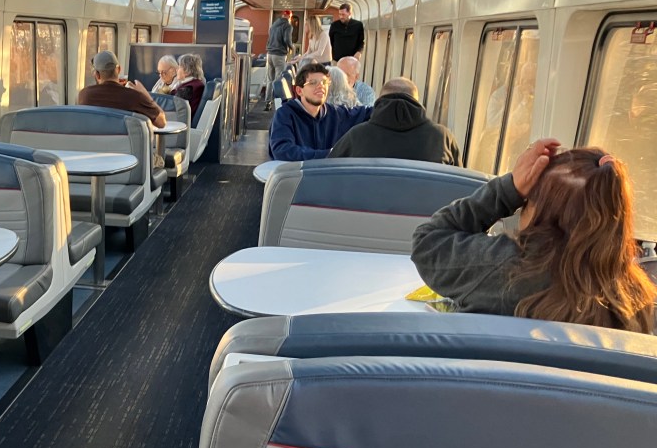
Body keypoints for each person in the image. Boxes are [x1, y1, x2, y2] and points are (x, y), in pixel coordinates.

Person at [411, 139, 655, 332]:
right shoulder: (638, 299)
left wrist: (509, 190)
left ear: (542, 214)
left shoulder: (505, 267)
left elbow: (427, 242)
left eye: (527, 201)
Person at [329, 77, 460, 165]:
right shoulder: (442, 138)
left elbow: (330, 173)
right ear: (417, 101)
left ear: (379, 101)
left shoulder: (356, 136)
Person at [268, 63, 373, 161]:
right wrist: (330, 154)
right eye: (313, 83)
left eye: (324, 82)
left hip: (327, 178)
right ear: (299, 91)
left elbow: (369, 113)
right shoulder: (285, 114)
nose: (321, 86)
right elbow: (282, 150)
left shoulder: (335, 113)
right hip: (298, 177)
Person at [77, 50, 167, 130]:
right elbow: (161, 123)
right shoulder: (134, 96)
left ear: (97, 75)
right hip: (126, 148)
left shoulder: (84, 95)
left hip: (93, 147)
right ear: (118, 69)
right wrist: (145, 95)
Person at [265, 10, 294, 110]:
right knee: (278, 80)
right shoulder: (288, 26)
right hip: (279, 55)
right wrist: (292, 47)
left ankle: (268, 102)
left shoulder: (274, 25)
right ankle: (278, 104)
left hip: (270, 54)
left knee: (269, 79)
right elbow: (287, 39)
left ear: (283, 15)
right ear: (289, 16)